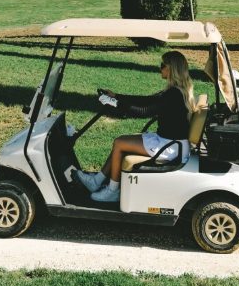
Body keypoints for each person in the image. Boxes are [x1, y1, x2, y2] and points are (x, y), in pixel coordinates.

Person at [75, 50, 196, 203]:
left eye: (162, 65)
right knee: (121, 143)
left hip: (169, 147)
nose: (160, 68)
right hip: (169, 142)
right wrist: (116, 96)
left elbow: (144, 111)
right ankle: (96, 182)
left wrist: (117, 104)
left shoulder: (173, 95)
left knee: (119, 142)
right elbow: (145, 100)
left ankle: (112, 190)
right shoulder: (175, 91)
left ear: (171, 68)